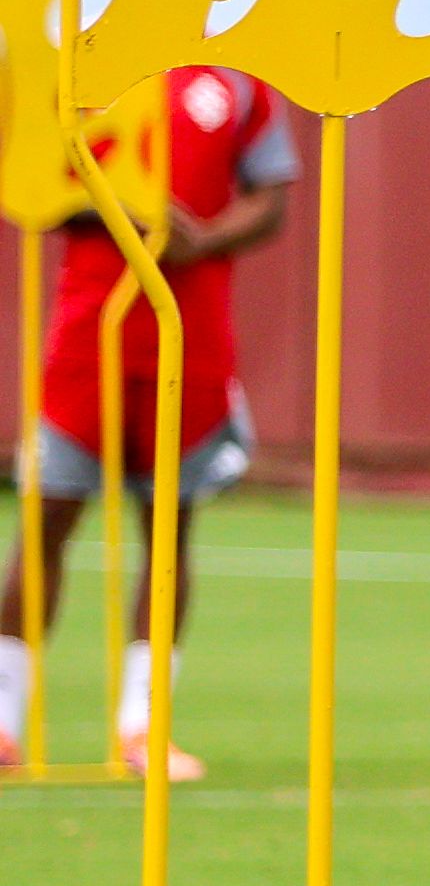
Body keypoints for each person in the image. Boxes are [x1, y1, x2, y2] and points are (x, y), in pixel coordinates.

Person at [0, 66, 298, 781]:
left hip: (190, 331)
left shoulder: (237, 84)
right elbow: (35, 185)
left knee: (170, 527)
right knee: (46, 522)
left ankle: (144, 726)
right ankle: (4, 721)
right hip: (89, 325)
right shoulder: (79, 62)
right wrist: (114, 210)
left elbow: (272, 202)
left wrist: (202, 236)